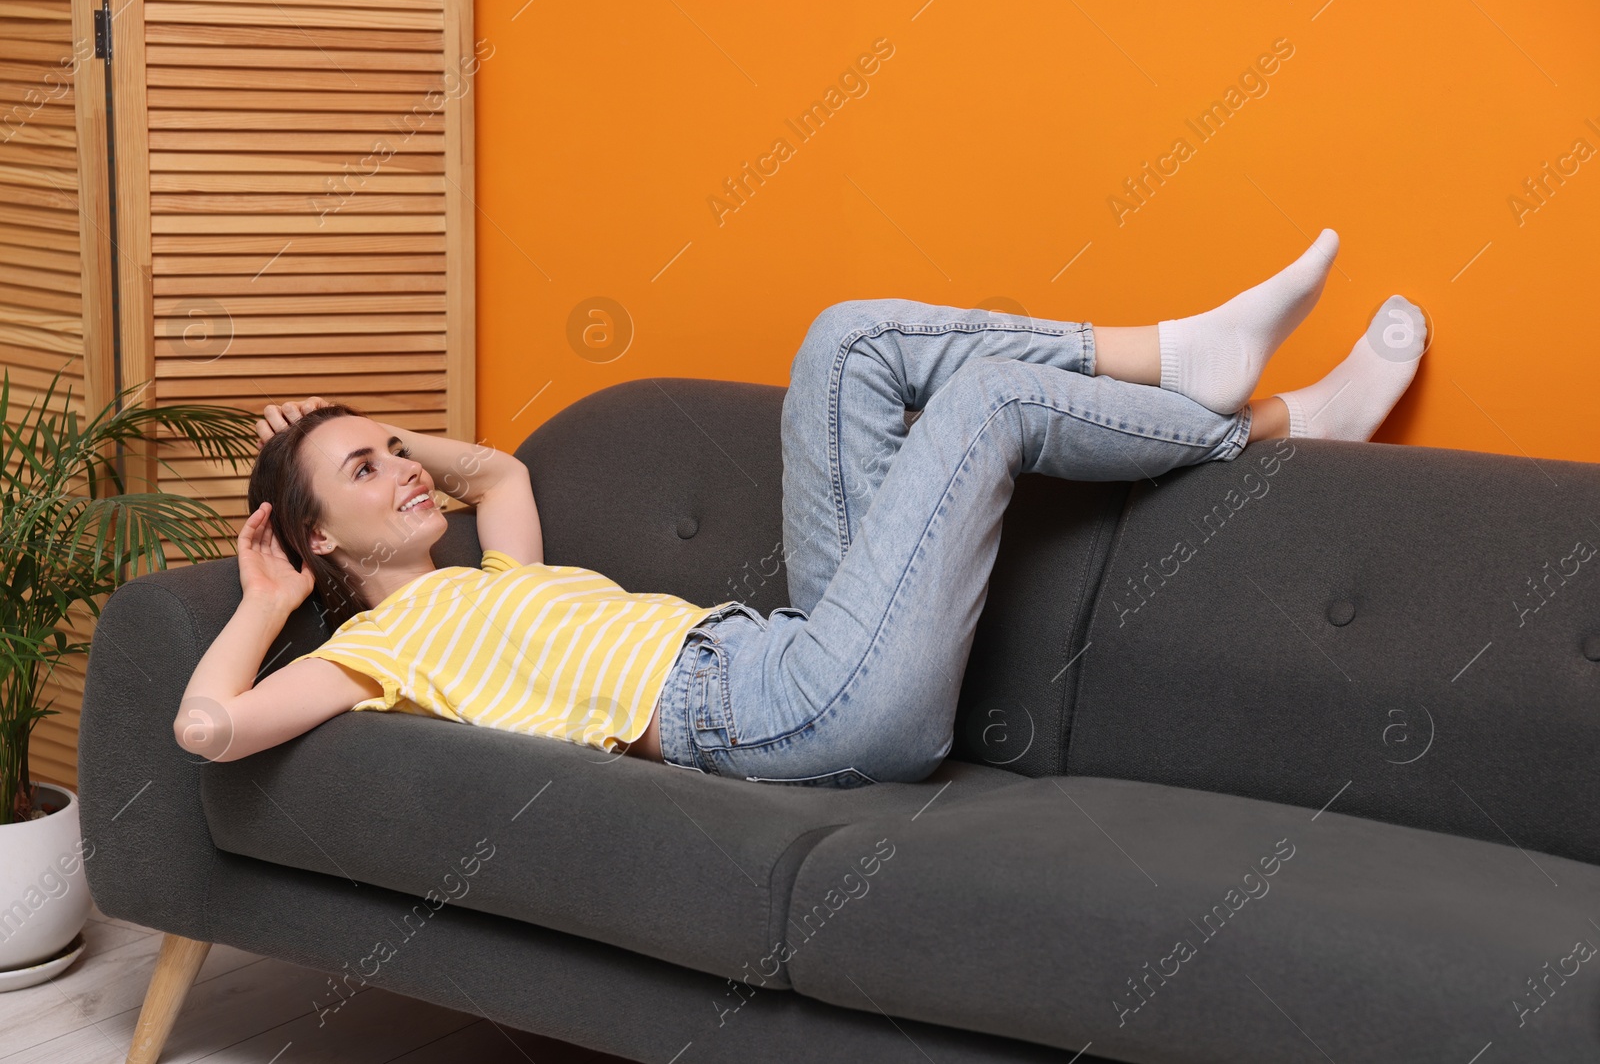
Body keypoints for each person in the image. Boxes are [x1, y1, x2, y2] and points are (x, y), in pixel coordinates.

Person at [175, 228, 1428, 786]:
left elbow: (498, 472)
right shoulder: (370, 651)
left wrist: (364, 434)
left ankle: (1172, 353)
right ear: (323, 541)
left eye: (394, 448)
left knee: (849, 341)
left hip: (794, 646)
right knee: (987, 404)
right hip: (785, 718)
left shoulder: (494, 576)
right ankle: (1273, 426)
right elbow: (210, 728)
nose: (406, 471)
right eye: (367, 474)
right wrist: (268, 588)